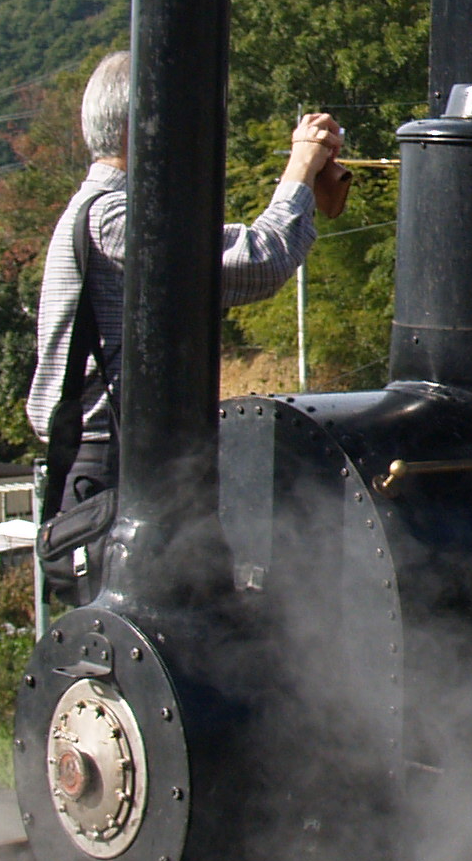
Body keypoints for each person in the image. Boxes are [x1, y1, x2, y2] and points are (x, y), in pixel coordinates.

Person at [27, 51, 347, 541]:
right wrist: (302, 164)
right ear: (142, 129)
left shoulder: (99, 209)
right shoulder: (114, 217)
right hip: (114, 467)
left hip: (115, 462)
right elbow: (261, 262)